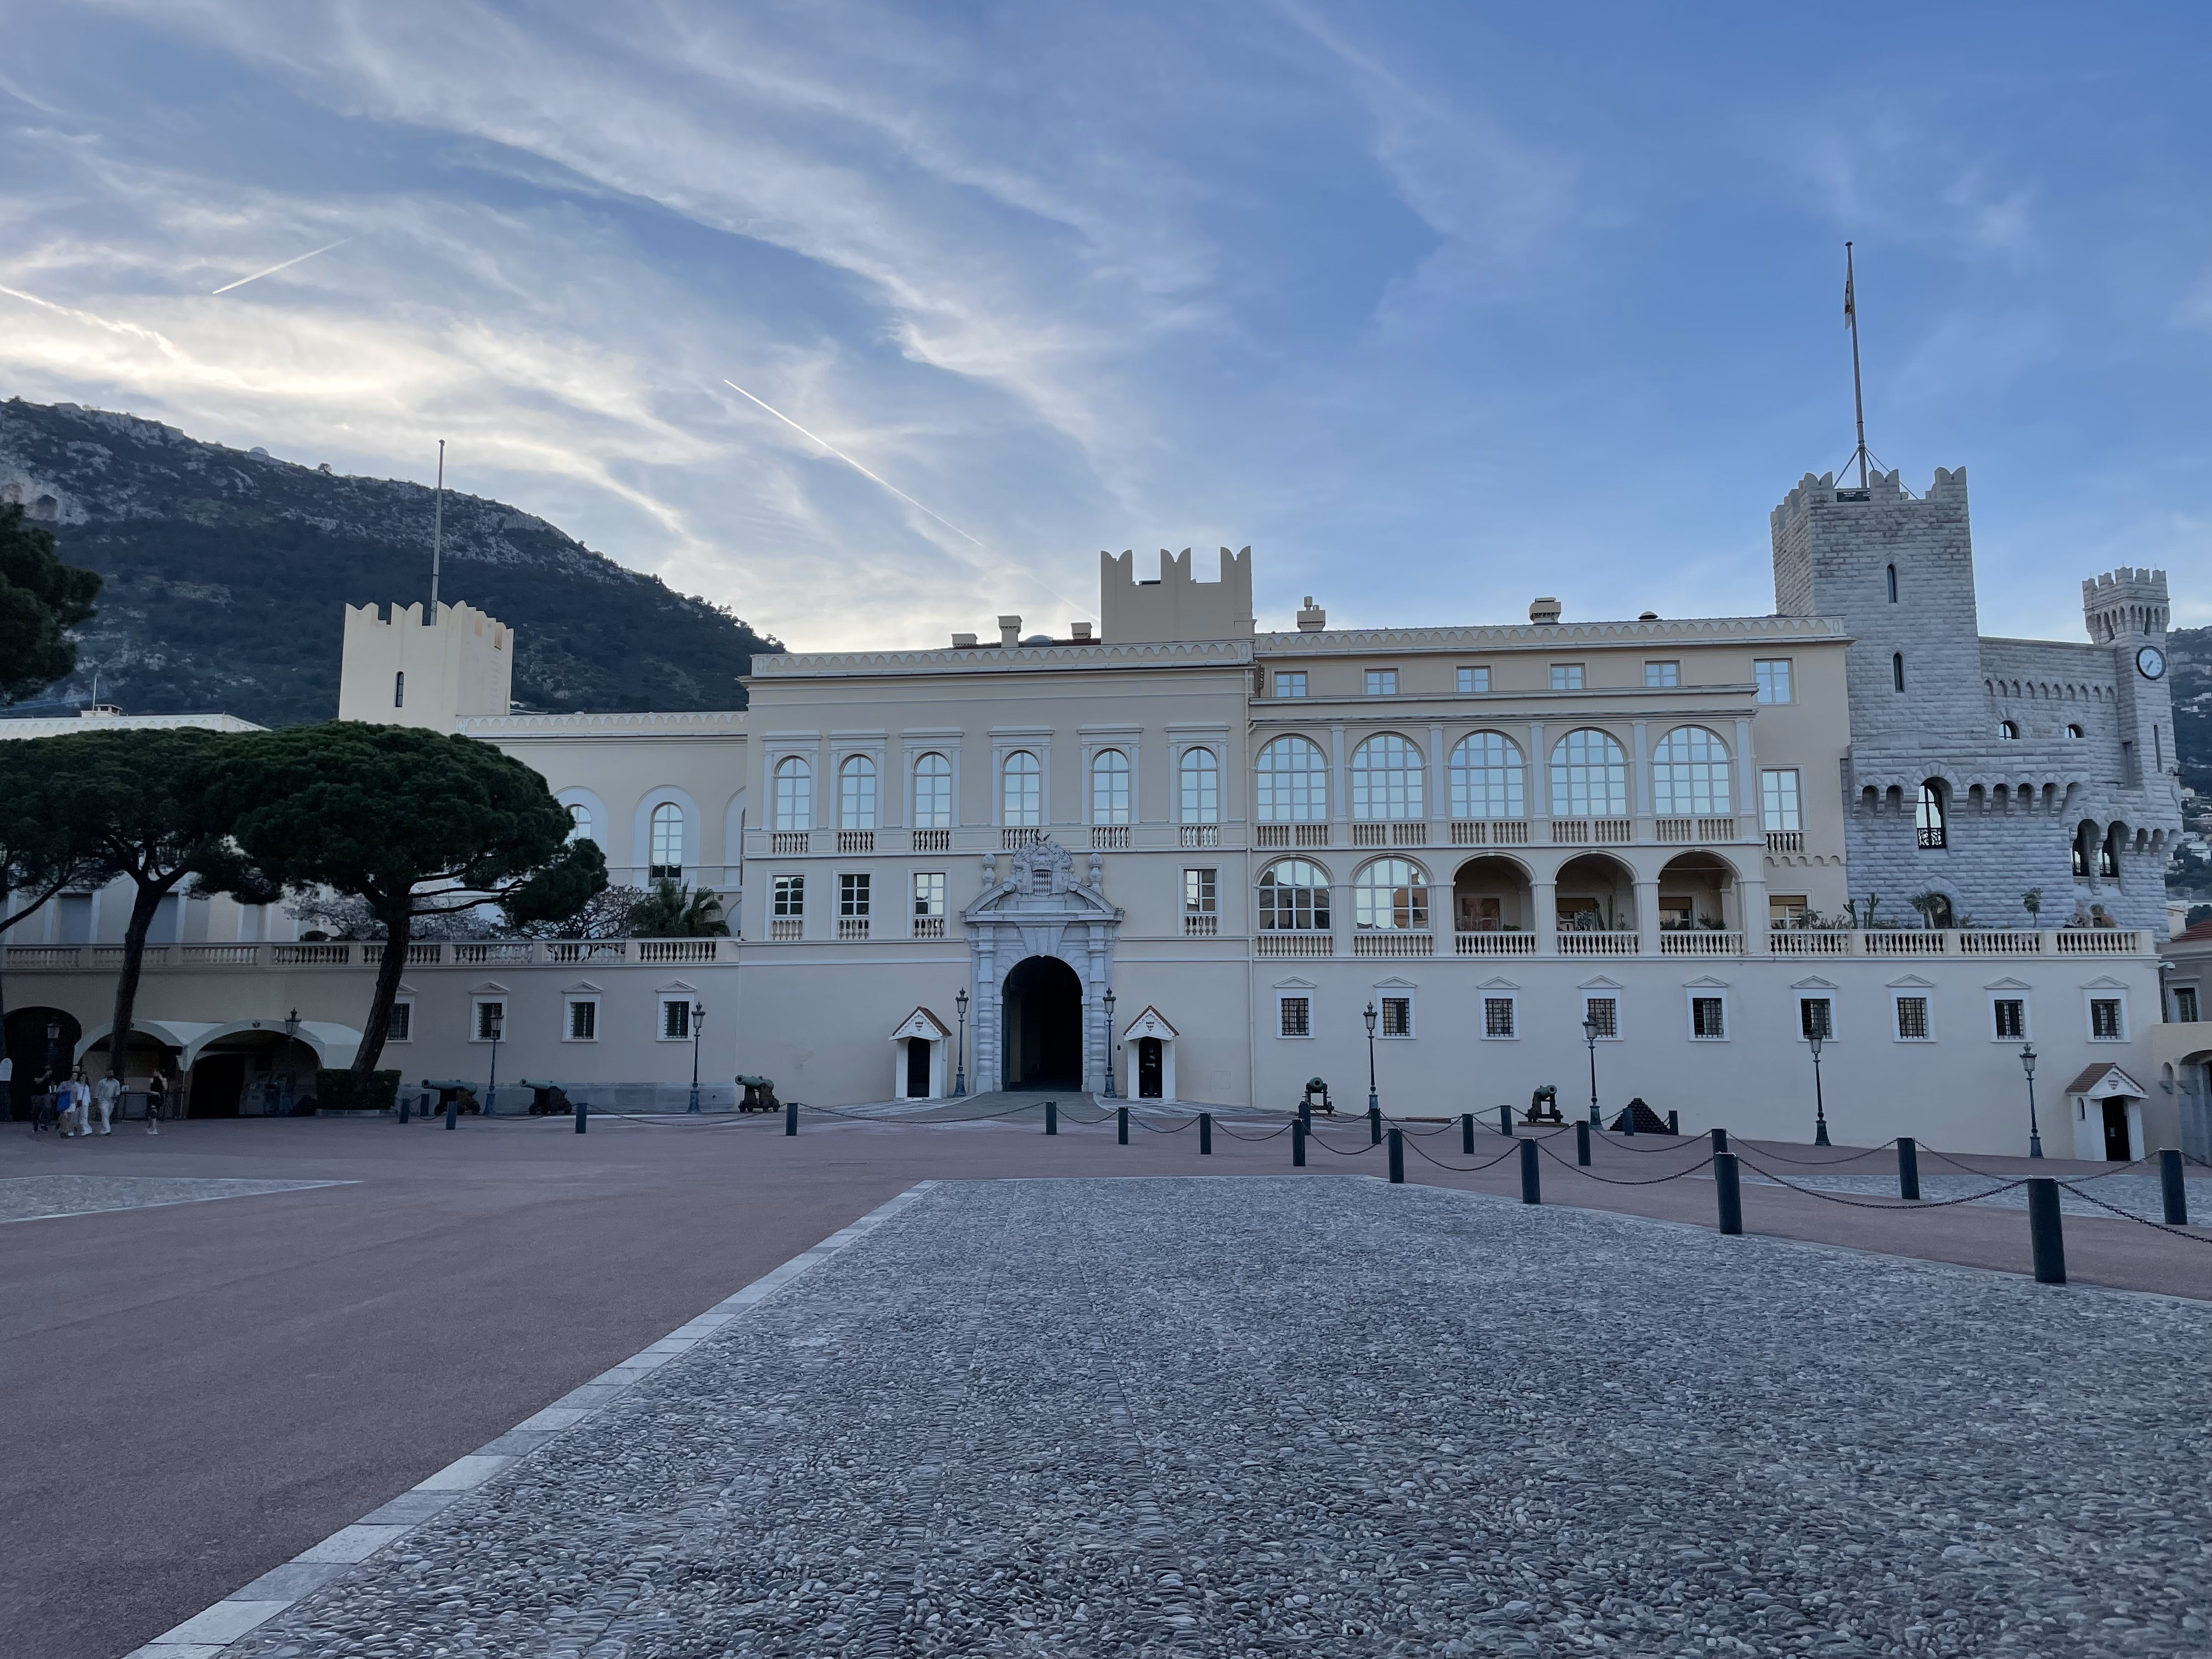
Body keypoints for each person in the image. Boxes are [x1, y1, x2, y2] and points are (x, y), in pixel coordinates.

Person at [91, 1071, 122, 1136]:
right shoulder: (102, 1082)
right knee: (105, 1114)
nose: (111, 1074)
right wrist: (96, 1099)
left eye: (112, 1073)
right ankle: (107, 1130)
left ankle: (103, 1129)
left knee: (108, 1115)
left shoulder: (116, 1082)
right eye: (109, 1073)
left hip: (111, 1101)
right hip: (103, 1100)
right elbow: (97, 1091)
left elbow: (118, 1091)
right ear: (107, 1074)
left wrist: (116, 1095)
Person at [145, 1070, 167, 1136]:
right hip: (153, 1098)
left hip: (159, 1098)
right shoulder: (151, 1080)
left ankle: (149, 1127)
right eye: (155, 1072)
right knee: (153, 1113)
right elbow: (148, 1090)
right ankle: (154, 1129)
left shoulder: (163, 1080)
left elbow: (165, 1088)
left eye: (157, 1072)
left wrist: (162, 1080)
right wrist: (155, 1093)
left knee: (154, 1114)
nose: (155, 1073)